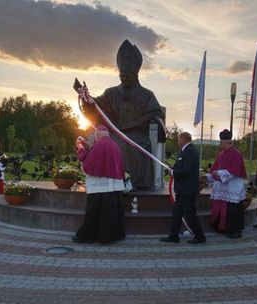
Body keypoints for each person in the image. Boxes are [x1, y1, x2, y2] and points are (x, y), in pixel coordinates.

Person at [75, 39, 165, 189]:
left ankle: (132, 184)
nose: (123, 79)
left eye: (127, 77)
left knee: (128, 144)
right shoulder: (111, 93)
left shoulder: (147, 95)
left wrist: (152, 121)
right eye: (121, 76)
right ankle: (105, 182)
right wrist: (86, 100)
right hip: (113, 134)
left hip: (137, 137)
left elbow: (157, 115)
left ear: (135, 75)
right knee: (110, 144)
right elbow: (96, 109)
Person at [73, 125, 126, 244]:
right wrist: (89, 147)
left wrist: (81, 148)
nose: (95, 138)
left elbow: (87, 165)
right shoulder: (114, 145)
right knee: (111, 214)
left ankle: (87, 236)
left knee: (94, 213)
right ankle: (112, 236)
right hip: (114, 187)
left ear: (98, 135)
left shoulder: (99, 145)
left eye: (95, 136)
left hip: (100, 187)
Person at [160, 132, 206, 244]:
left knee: (190, 214)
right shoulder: (185, 151)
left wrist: (173, 172)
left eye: (179, 139)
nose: (178, 141)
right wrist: (172, 169)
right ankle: (173, 236)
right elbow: (181, 166)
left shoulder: (190, 151)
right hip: (182, 190)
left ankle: (200, 237)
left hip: (187, 190)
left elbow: (187, 170)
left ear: (184, 139)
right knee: (177, 213)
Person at [206, 129, 247, 238]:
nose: (220, 143)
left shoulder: (236, 154)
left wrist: (217, 173)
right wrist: (208, 176)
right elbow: (214, 168)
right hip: (223, 185)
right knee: (223, 207)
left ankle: (236, 231)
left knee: (234, 209)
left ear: (227, 142)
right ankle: (224, 227)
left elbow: (233, 171)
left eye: (221, 142)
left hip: (233, 185)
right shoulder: (221, 154)